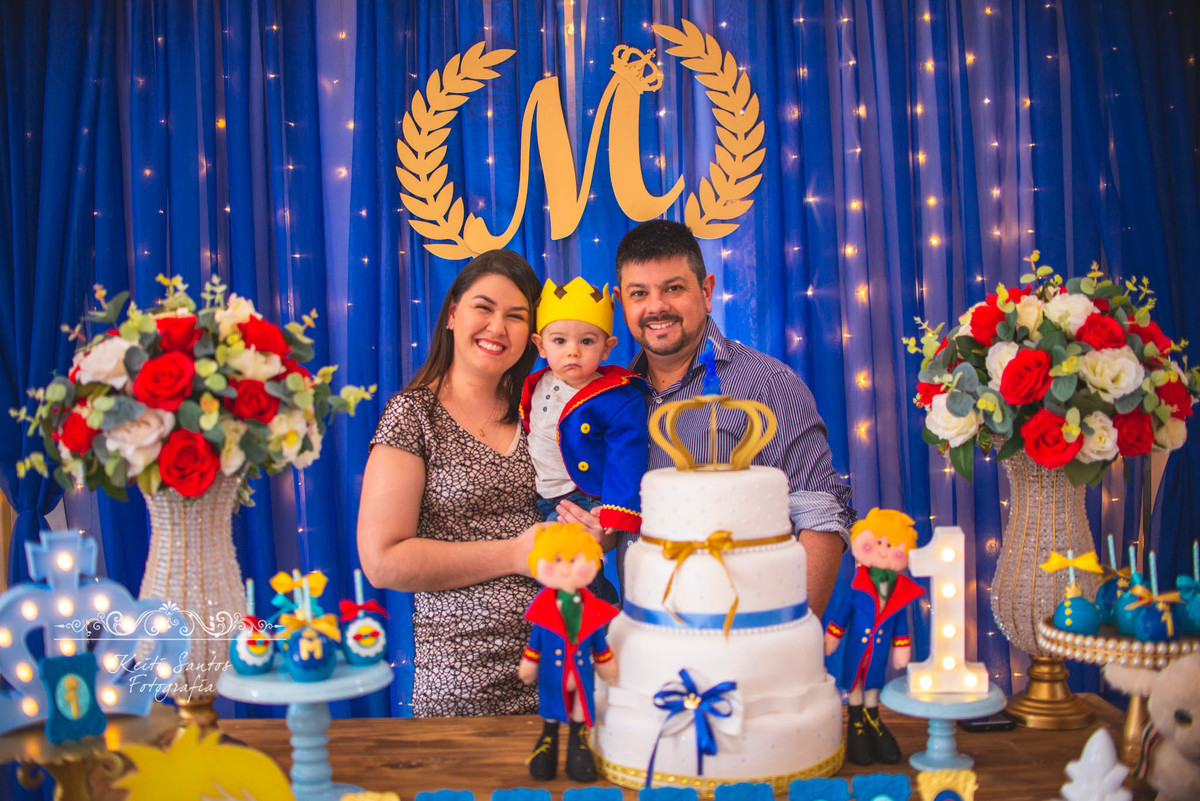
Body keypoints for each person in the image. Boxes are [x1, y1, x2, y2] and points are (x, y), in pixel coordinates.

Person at [555, 219, 855, 616]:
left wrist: (789, 637)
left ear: (707, 291)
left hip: (740, 632)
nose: (656, 307)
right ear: (621, 303)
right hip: (641, 636)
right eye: (639, 293)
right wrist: (602, 531)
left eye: (673, 288)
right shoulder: (607, 401)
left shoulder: (767, 384)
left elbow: (821, 515)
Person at [359, 249, 602, 717]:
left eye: (515, 316)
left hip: (561, 666)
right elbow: (383, 562)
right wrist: (515, 554)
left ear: (532, 336)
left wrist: (594, 534)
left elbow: (577, 511)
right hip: (463, 682)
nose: (497, 327)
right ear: (453, 314)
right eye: (483, 308)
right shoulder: (413, 415)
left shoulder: (543, 410)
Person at [520, 276, 650, 602]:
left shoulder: (615, 396)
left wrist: (617, 508)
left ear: (607, 347)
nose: (573, 351)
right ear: (540, 345)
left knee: (570, 570)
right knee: (543, 572)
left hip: (581, 497)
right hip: (539, 496)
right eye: (559, 341)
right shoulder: (535, 384)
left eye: (587, 341)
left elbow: (626, 454)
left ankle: (596, 617)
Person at [517, 522, 619, 782]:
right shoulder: (543, 610)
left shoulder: (591, 609)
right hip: (553, 676)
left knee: (579, 714)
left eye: (573, 560)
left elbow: (599, 644)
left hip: (581, 675)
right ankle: (547, 744)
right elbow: (536, 643)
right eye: (557, 560)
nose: (564, 568)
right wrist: (529, 662)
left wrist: (606, 663)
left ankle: (579, 747)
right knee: (551, 713)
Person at [822, 508, 923, 765]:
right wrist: (833, 635)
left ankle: (872, 718)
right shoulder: (858, 585)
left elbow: (899, 623)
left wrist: (902, 646)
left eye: (890, 545)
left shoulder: (899, 591)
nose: (883, 551)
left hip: (878, 654)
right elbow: (843, 613)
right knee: (855, 682)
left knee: (873, 684)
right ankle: (856, 722)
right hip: (856, 650)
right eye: (878, 543)